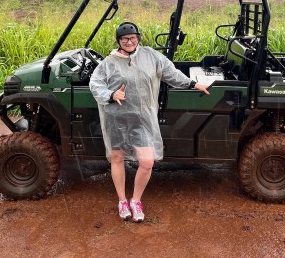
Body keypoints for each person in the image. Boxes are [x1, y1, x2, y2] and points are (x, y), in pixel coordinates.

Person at [89, 21, 210, 222]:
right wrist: (110, 95)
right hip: (117, 119)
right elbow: (95, 84)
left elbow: (170, 73)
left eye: (133, 38)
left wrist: (192, 83)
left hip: (143, 120)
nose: (129, 42)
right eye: (125, 39)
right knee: (117, 158)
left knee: (147, 162)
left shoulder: (150, 56)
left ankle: (136, 200)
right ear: (119, 41)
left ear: (138, 39)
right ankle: (122, 200)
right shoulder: (108, 63)